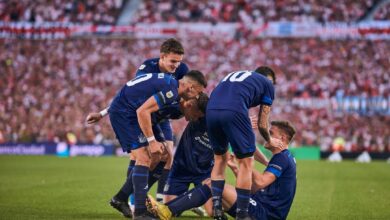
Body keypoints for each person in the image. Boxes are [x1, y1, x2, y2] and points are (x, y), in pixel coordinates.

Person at [86, 38, 190, 204]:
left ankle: (160, 201)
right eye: (172, 61)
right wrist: (103, 112)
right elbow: (131, 92)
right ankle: (134, 200)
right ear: (161, 57)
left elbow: (185, 93)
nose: (176, 66)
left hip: (162, 115)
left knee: (167, 155)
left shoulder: (183, 69)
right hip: (143, 114)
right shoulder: (147, 67)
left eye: (179, 61)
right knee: (140, 156)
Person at [105, 70, 207, 219]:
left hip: (140, 113)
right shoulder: (171, 90)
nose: (197, 97)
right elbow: (142, 111)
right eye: (197, 93)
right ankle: (140, 212)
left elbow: (143, 102)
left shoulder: (176, 99)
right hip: (126, 113)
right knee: (144, 157)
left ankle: (120, 198)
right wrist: (152, 141)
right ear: (190, 89)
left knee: (165, 155)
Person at [148, 120, 297, 220]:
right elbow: (253, 188)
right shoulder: (283, 157)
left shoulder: (282, 158)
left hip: (267, 214)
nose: (266, 136)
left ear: (282, 138)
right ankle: (166, 209)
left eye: (271, 133)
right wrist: (236, 168)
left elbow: (260, 182)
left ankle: (166, 210)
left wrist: (246, 160)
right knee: (212, 193)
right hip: (260, 205)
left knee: (214, 185)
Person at [206, 66, 282, 219]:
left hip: (211, 110)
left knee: (220, 159)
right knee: (246, 163)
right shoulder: (267, 84)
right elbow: (262, 124)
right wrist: (269, 139)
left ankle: (217, 208)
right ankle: (242, 214)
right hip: (233, 111)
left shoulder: (236, 76)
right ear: (268, 79)